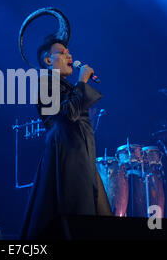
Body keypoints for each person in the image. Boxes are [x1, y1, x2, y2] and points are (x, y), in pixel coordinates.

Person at [20, 35, 112, 240]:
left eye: (69, 52)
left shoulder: (66, 87)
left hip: (83, 158)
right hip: (67, 159)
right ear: (47, 61)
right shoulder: (45, 83)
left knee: (101, 216)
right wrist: (82, 81)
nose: (69, 55)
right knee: (76, 216)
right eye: (61, 52)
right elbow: (68, 114)